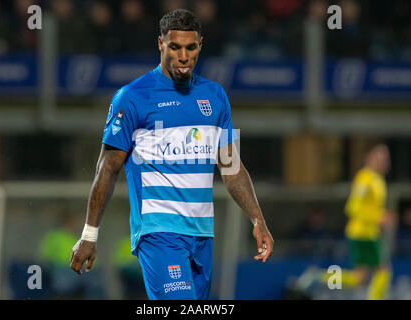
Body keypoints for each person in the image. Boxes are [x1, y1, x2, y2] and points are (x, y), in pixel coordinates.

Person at [70, 9, 274, 300]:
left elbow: (231, 167)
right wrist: (89, 234)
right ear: (160, 44)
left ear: (200, 45)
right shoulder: (132, 97)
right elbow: (107, 167)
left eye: (190, 48)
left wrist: (257, 219)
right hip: (158, 232)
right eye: (175, 47)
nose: (183, 56)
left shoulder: (215, 96)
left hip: (202, 233)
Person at [296, 144, 396, 300]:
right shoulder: (364, 178)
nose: (384, 161)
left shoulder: (377, 180)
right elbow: (352, 207)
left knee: (360, 278)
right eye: (379, 157)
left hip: (368, 233)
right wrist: (378, 217)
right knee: (383, 271)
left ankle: (317, 276)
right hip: (363, 233)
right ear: (368, 158)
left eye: (386, 157)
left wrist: (380, 216)